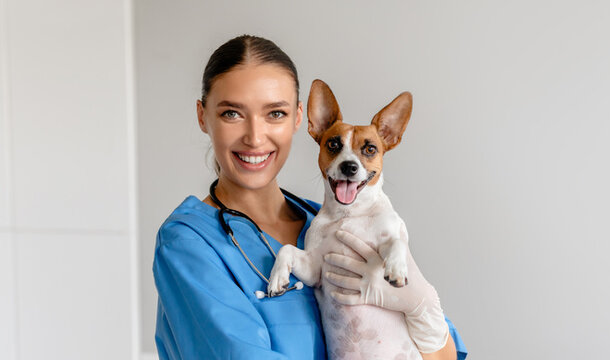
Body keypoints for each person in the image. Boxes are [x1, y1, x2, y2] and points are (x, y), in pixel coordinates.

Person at [153, 35, 467, 360]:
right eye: (232, 113)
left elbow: (444, 354)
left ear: (300, 118)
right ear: (203, 116)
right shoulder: (187, 244)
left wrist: (422, 307)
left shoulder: (330, 222)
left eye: (275, 113)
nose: (255, 136)